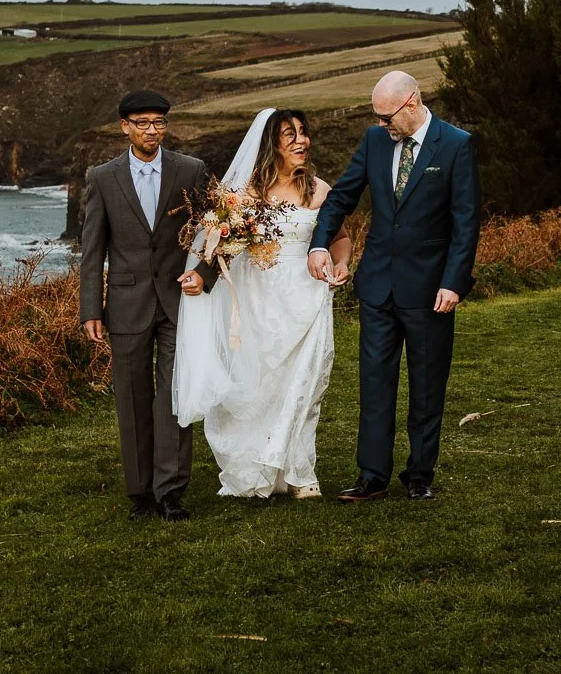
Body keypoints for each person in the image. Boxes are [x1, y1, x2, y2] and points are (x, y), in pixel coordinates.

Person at [307, 70, 480, 502]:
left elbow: (466, 222)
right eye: (378, 117)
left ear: (412, 102)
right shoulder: (374, 140)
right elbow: (341, 197)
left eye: (388, 117)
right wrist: (317, 244)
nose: (382, 125)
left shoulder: (457, 145)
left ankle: (419, 475)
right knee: (375, 382)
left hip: (430, 290)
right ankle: (372, 476)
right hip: (378, 286)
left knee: (426, 383)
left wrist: (454, 282)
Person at [174, 108, 352, 498]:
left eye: (304, 133)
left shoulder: (319, 190)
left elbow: (340, 238)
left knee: (305, 385)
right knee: (258, 386)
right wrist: (199, 276)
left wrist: (340, 264)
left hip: (308, 295)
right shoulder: (243, 195)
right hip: (258, 301)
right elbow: (220, 248)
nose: (302, 141)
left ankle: (299, 473)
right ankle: (253, 469)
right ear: (271, 144)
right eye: (290, 135)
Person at [79, 89, 217, 521]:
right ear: (125, 127)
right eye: (142, 123)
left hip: (180, 302)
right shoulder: (102, 178)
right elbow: (92, 249)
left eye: (158, 122)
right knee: (133, 399)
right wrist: (91, 310)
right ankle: (140, 493)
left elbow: (219, 230)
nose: (151, 130)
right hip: (125, 303)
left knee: (175, 396)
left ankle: (171, 491)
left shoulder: (191, 170)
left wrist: (205, 274)